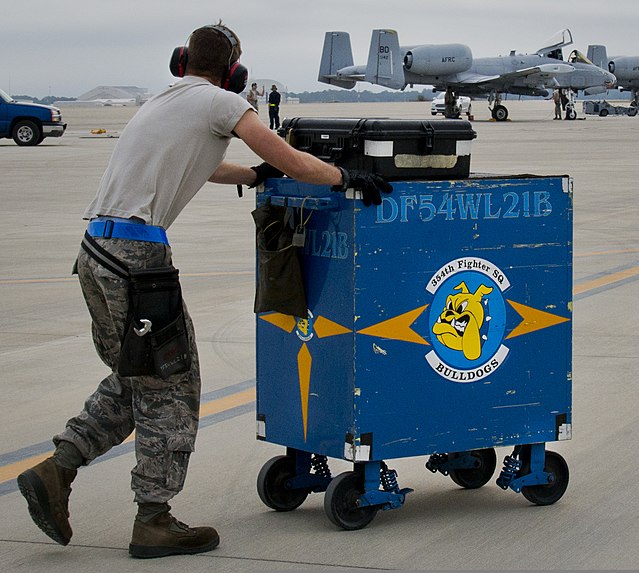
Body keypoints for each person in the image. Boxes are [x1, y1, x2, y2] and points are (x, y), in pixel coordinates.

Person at [15, 22, 391, 560]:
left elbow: (204, 165)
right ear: (233, 71)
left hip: (95, 249)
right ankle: (154, 519)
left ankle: (57, 469)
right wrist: (343, 178)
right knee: (173, 383)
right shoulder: (220, 102)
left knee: (138, 374)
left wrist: (253, 175)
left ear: (181, 61)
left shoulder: (162, 101)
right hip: (135, 259)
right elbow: (289, 157)